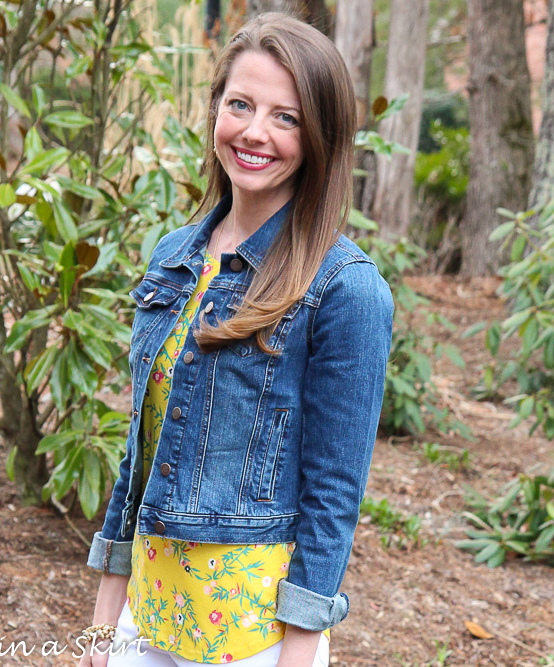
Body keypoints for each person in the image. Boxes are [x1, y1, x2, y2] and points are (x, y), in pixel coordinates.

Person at [77, 12, 394, 667]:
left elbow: (333, 495)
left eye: (286, 117)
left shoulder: (346, 289)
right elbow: (138, 455)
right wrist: (103, 628)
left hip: (253, 640)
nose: (254, 131)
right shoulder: (172, 257)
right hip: (148, 615)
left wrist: (298, 653)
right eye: (241, 104)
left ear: (319, 138)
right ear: (215, 109)